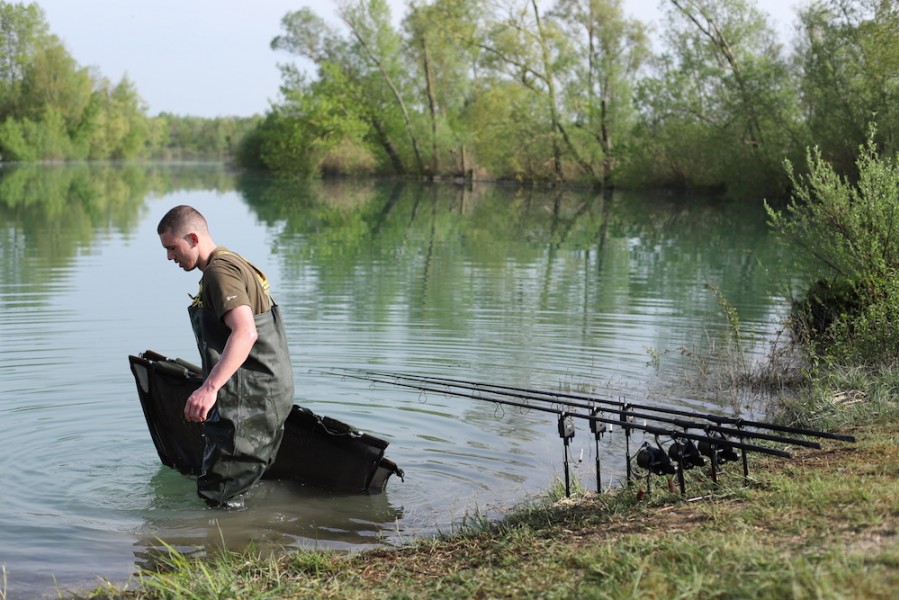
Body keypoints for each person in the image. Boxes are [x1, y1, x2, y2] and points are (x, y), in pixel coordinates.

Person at [157, 205, 294, 508]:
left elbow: (245, 332)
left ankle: (225, 536)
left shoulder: (219, 273)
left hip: (250, 400)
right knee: (238, 486)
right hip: (266, 393)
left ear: (193, 238)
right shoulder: (231, 262)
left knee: (218, 496)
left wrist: (209, 388)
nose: (169, 257)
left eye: (172, 247)